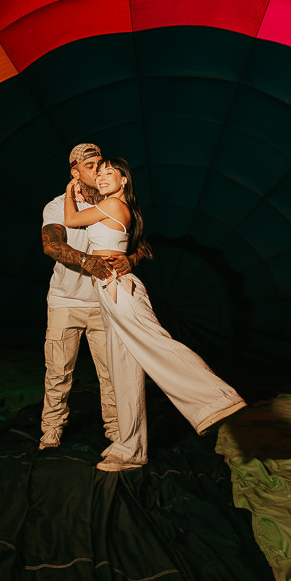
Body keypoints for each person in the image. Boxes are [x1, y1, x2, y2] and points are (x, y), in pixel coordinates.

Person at [64, 157, 246, 472]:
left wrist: (70, 193)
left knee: (156, 343)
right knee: (124, 370)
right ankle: (131, 448)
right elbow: (136, 246)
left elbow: (70, 220)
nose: (104, 176)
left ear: (125, 182)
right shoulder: (111, 207)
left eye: (112, 173)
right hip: (108, 289)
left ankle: (218, 400)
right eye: (101, 172)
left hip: (118, 288)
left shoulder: (113, 206)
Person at [39, 143, 133, 452]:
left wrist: (133, 260)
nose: (98, 170)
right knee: (58, 373)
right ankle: (51, 432)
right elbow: (51, 245)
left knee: (111, 373)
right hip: (66, 302)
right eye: (90, 166)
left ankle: (118, 430)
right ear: (75, 172)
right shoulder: (57, 206)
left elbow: (144, 244)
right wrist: (86, 261)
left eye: (101, 165)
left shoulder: (116, 203)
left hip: (104, 302)